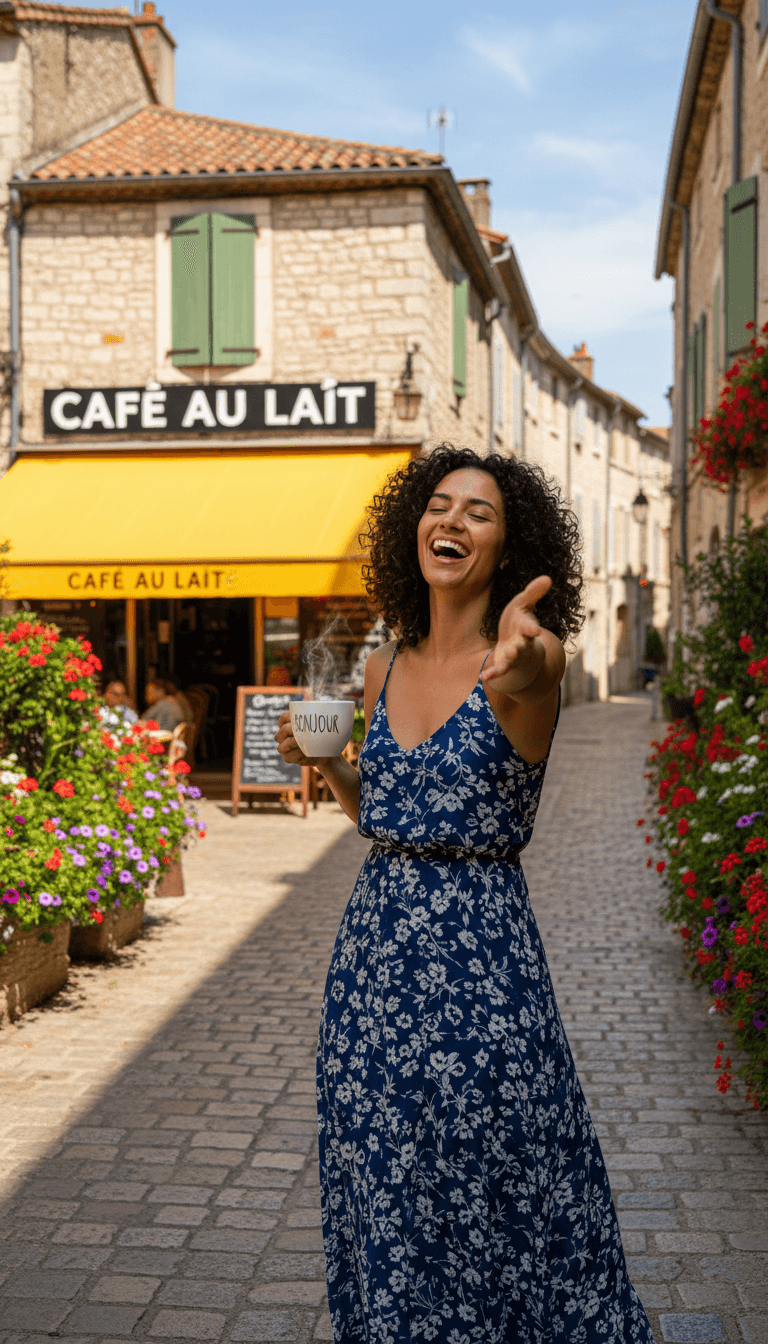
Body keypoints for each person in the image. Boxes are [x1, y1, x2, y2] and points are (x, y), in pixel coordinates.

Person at [276, 445, 653, 1344]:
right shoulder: (380, 666)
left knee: (492, 1185)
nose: (451, 521)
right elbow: (385, 817)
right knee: (385, 1181)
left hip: (481, 966)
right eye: (438, 505)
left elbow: (538, 667)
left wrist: (525, 654)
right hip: (372, 963)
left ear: (508, 549)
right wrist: (331, 767)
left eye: (478, 513)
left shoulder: (524, 661)